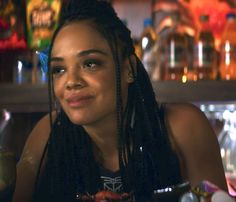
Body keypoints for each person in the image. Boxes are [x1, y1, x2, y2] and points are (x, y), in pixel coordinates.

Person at [12, 0, 227, 201]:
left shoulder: (183, 128)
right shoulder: (48, 134)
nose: (71, 82)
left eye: (90, 64)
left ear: (129, 69)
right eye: (59, 69)